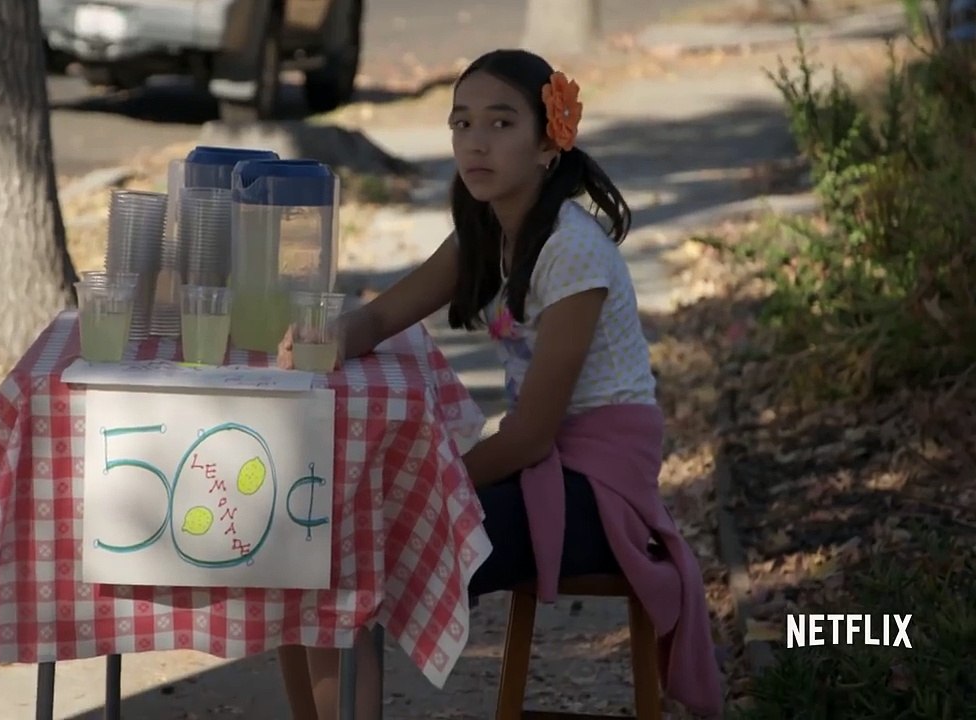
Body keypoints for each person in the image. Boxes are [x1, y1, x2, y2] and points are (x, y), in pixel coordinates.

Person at [274, 49, 723, 720]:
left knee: (343, 554)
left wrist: (426, 481)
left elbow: (531, 435)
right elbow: (380, 315)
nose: (476, 142)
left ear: (548, 142)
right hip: (542, 468)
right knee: (306, 549)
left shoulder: (573, 249)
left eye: (501, 123)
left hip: (595, 495)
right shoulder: (486, 234)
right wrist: (323, 339)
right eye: (462, 124)